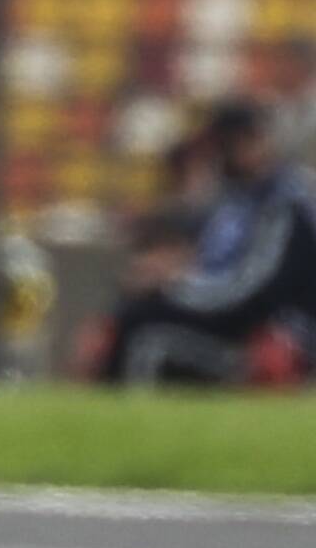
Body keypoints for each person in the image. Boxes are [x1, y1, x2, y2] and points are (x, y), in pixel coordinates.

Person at [97, 97, 316, 383]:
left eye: (224, 146)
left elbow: (252, 289)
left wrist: (173, 287)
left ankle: (130, 422)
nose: (219, 157)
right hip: (235, 320)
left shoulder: (284, 203)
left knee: (146, 334)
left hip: (268, 335)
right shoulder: (239, 198)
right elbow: (211, 258)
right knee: (130, 319)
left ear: (249, 141)